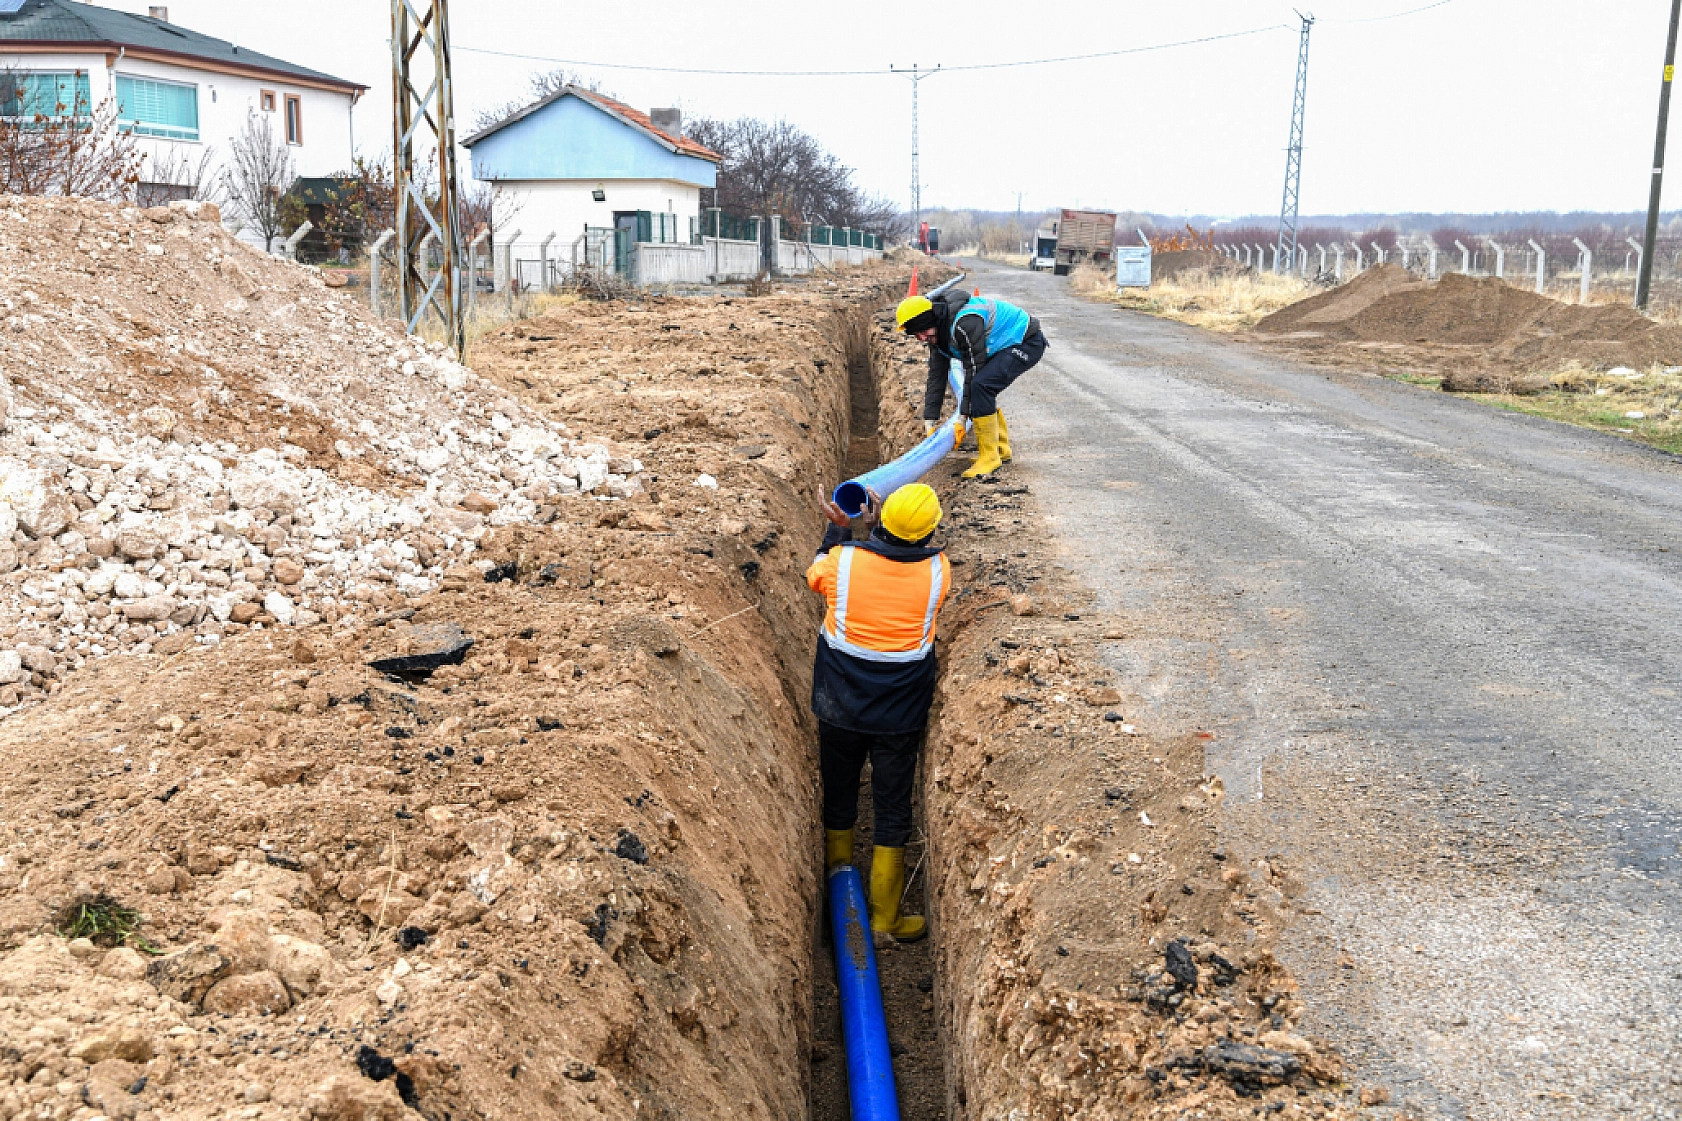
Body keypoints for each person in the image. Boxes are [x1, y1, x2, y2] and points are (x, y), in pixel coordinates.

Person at [807, 482, 951, 942]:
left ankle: (837, 903)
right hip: (900, 710)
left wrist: (840, 533)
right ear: (929, 532)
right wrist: (877, 538)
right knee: (891, 805)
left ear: (881, 518)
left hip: (840, 700)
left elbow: (815, 577)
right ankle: (886, 918)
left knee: (840, 793)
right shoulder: (939, 572)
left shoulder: (843, 560)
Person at [895, 286, 1048, 478]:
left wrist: (962, 418)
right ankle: (1000, 448)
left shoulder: (963, 323)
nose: (922, 338)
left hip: (1025, 341)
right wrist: (930, 420)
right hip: (1005, 345)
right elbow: (937, 376)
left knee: (981, 385)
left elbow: (973, 369)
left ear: (931, 320)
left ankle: (990, 457)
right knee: (982, 387)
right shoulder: (938, 336)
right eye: (917, 335)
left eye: (924, 331)